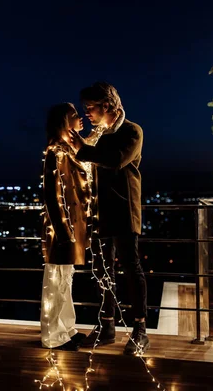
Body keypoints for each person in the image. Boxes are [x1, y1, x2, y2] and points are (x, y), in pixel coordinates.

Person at [69, 82, 149, 355]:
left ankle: (140, 328)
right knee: (104, 271)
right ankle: (107, 325)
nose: (87, 113)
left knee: (131, 267)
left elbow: (116, 159)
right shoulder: (98, 135)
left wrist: (82, 147)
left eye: (89, 107)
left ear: (106, 105)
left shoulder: (132, 131)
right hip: (100, 212)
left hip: (125, 210)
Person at [40, 102, 90, 350]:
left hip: (71, 228)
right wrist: (63, 232)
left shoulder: (69, 150)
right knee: (56, 282)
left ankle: (68, 330)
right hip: (61, 231)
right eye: (74, 115)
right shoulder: (55, 152)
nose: (80, 118)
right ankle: (53, 336)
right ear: (63, 121)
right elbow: (51, 195)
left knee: (65, 280)